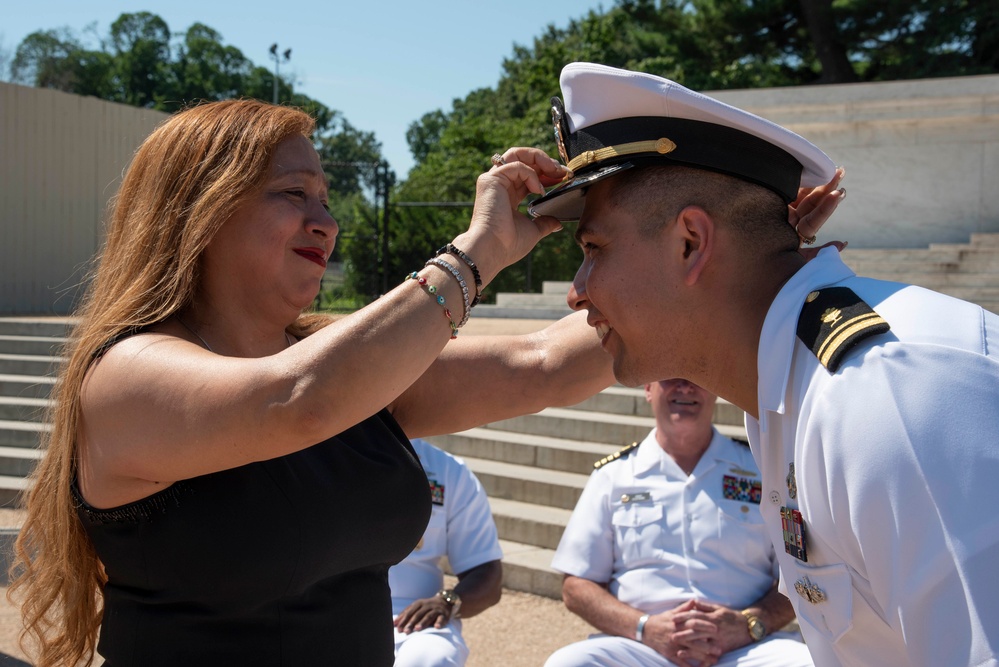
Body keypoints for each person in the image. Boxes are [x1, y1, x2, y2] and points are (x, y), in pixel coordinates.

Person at [6, 98, 841, 667]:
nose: (325, 222)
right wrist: (478, 251)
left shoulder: (353, 371)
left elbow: (548, 360)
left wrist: (738, 255)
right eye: (292, 194)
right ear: (201, 212)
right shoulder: (126, 374)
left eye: (326, 197)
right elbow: (295, 400)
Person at [529, 62, 999, 667]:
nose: (577, 290)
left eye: (593, 249)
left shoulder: (885, 393)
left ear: (691, 244)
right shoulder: (795, 386)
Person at [546, 379, 813, 667]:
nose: (685, 388)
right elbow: (577, 584)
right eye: (671, 377)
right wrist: (645, 627)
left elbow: (801, 571)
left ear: (716, 390)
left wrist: (750, 622)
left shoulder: (762, 471)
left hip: (743, 648)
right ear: (648, 388)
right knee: (568, 663)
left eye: (697, 379)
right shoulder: (614, 476)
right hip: (643, 648)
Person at [390, 438, 503, 667]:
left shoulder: (448, 471)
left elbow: (485, 570)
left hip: (412, 619)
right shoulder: (319, 454)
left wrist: (447, 601)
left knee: (434, 658)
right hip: (329, 609)